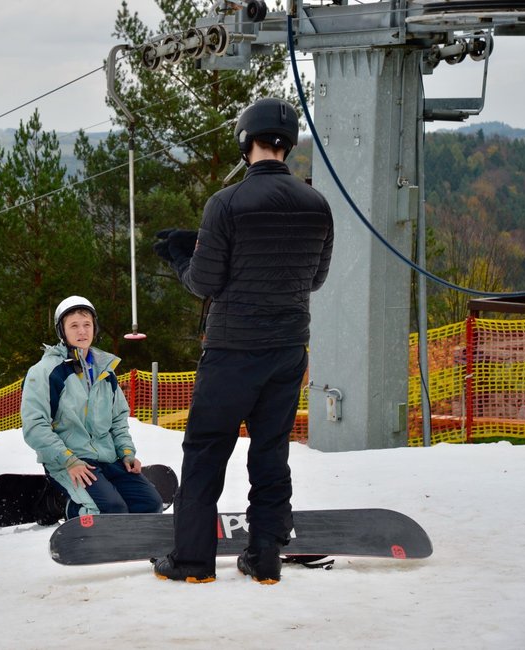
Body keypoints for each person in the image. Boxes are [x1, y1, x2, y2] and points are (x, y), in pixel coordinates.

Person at [150, 98, 334, 584]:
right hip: (289, 348)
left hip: (233, 349)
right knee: (271, 449)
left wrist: (178, 256)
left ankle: (192, 560)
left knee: (207, 448)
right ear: (287, 144)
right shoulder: (318, 204)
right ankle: (266, 555)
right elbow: (314, 278)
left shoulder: (226, 203)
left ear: (245, 139)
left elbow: (205, 281)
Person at [20, 295, 164, 521]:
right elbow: (34, 427)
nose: (82, 331)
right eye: (74, 326)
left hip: (107, 458)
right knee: (110, 511)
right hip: (70, 460)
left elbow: (118, 418)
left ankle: (101, 496)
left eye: (87, 325)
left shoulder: (104, 370)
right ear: (62, 332)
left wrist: (126, 452)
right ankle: (61, 505)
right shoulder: (45, 372)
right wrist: (69, 460)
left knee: (150, 504)